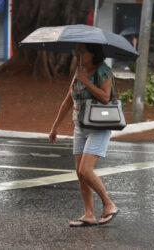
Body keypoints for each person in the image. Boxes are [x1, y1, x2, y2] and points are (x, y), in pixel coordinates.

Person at [49, 43, 119, 227]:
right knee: (79, 174)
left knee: (85, 170)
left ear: (93, 53)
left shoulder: (103, 71)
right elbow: (68, 99)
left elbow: (105, 97)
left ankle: (109, 204)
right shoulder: (79, 70)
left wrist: (86, 81)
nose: (78, 54)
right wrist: (55, 126)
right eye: (77, 51)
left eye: (82, 51)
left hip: (99, 126)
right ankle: (89, 214)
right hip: (80, 125)